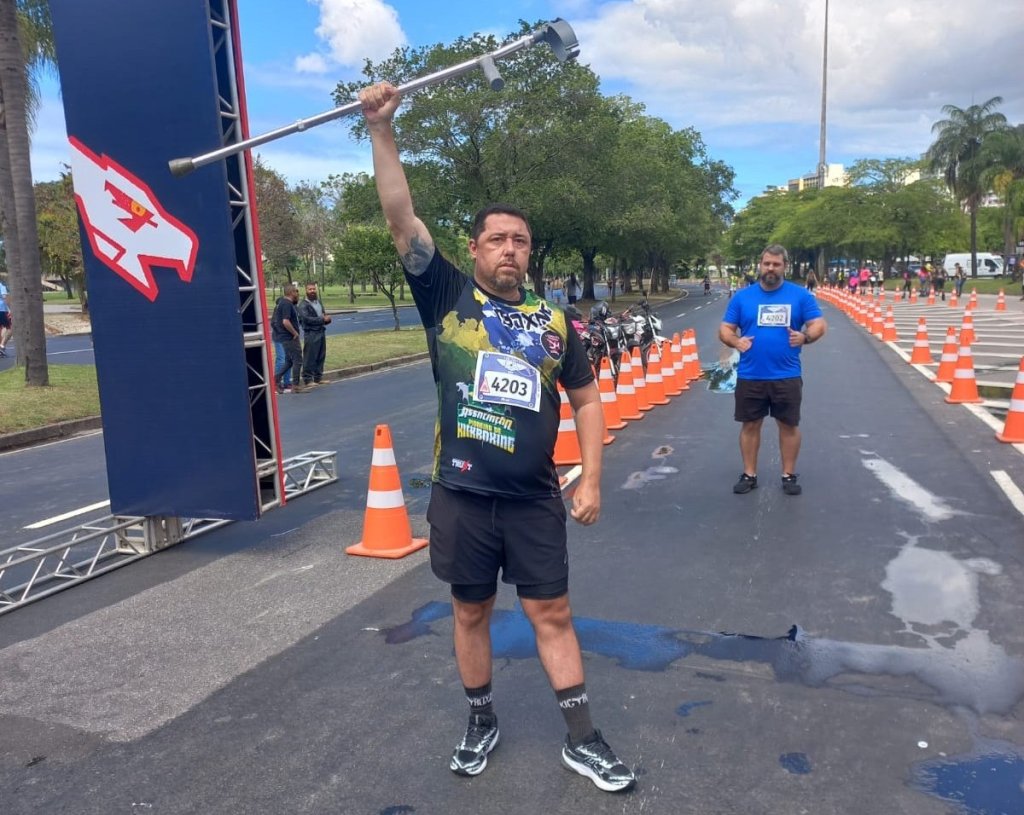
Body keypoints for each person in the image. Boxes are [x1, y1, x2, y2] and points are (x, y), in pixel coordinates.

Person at [359, 80, 636, 793]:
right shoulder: (446, 295)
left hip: (533, 498)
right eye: (497, 239)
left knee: (552, 611)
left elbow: (586, 399)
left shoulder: (554, 322)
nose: (509, 250)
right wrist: (382, 131)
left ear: (529, 252)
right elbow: (399, 220)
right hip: (462, 495)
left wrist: (594, 478)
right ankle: (481, 718)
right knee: (471, 609)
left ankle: (583, 736)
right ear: (474, 247)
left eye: (521, 241)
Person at [718, 244, 827, 497]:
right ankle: (749, 474)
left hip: (786, 375)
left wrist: (805, 337)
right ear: (760, 264)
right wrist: (736, 341)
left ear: (784, 267)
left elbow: (819, 325)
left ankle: (788, 475)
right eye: (767, 263)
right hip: (750, 375)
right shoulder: (743, 297)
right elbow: (725, 329)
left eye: (776, 264)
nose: (770, 268)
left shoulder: (800, 296)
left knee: (788, 425)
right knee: (750, 425)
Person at [271, 283, 306, 394]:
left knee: (289, 361)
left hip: (285, 337)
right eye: (296, 291)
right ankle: (295, 385)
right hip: (289, 337)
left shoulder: (284, 304)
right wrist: (294, 332)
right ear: (291, 292)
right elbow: (285, 321)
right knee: (297, 360)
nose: (297, 293)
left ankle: (275, 380)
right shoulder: (286, 304)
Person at [297, 281, 331, 387]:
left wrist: (327, 319)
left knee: (321, 355)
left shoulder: (318, 302)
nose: (312, 291)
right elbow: (306, 319)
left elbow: (323, 314)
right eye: (310, 289)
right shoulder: (303, 305)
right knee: (310, 356)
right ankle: (307, 379)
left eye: (313, 289)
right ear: (306, 291)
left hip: (321, 331)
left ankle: (318, 377)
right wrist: (322, 319)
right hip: (311, 333)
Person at [0, 278, 11, 357]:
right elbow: (5, 297)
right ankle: (2, 346)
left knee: (2, 327)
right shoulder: (1, 286)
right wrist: (11, 308)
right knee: (11, 327)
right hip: (2, 310)